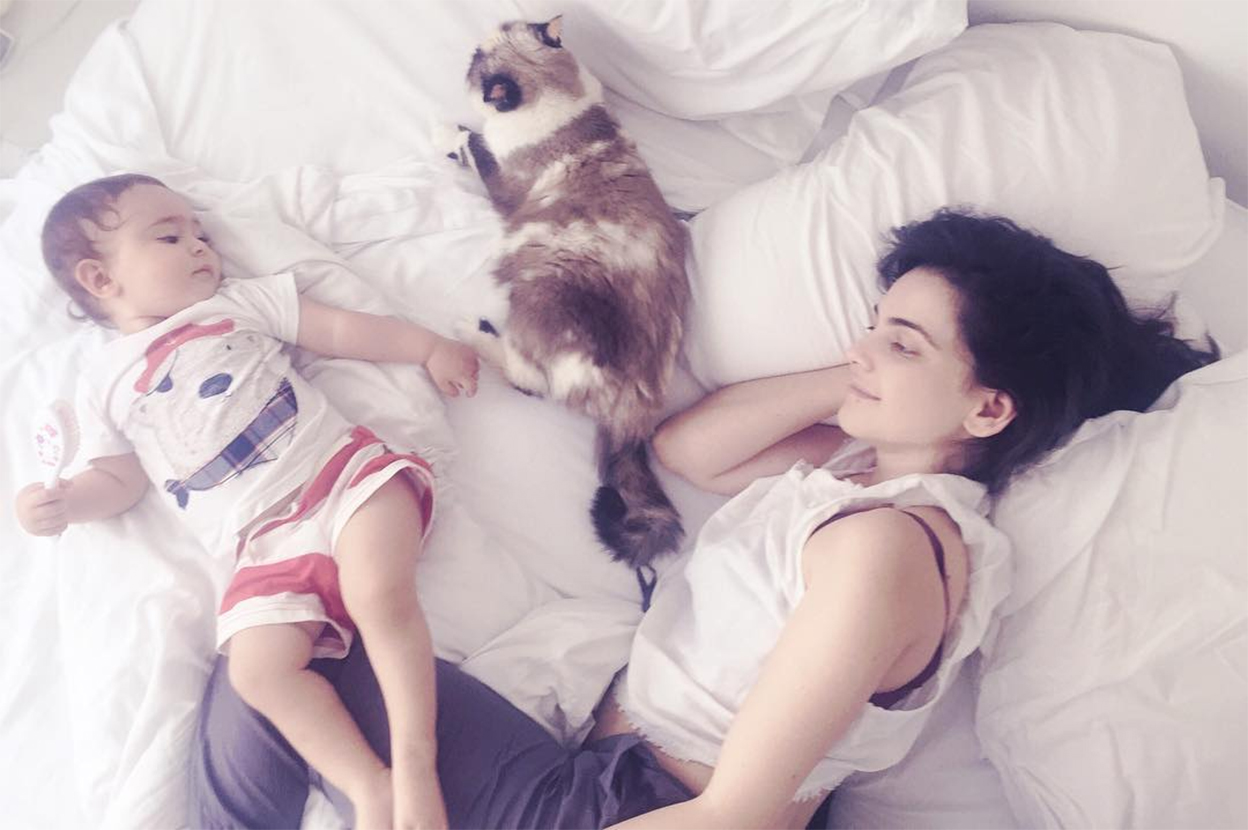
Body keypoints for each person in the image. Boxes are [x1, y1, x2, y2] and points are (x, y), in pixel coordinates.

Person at [188, 208, 1218, 828]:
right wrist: (868, 377)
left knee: (276, 670)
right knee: (281, 661)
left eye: (901, 343)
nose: (859, 349)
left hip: (646, 808)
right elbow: (687, 451)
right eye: (872, 326)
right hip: (609, 775)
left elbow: (735, 814)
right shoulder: (858, 479)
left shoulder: (886, 553)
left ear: (988, 410)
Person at [13, 173, 482, 830]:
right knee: (257, 674)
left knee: (378, 594)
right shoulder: (101, 383)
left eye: (201, 234)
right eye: (169, 237)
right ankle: (368, 785)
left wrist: (428, 347)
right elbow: (119, 481)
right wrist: (63, 503)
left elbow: (340, 331)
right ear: (100, 279)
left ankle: (413, 760)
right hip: (263, 547)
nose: (200, 246)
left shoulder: (236, 304)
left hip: (342, 482)